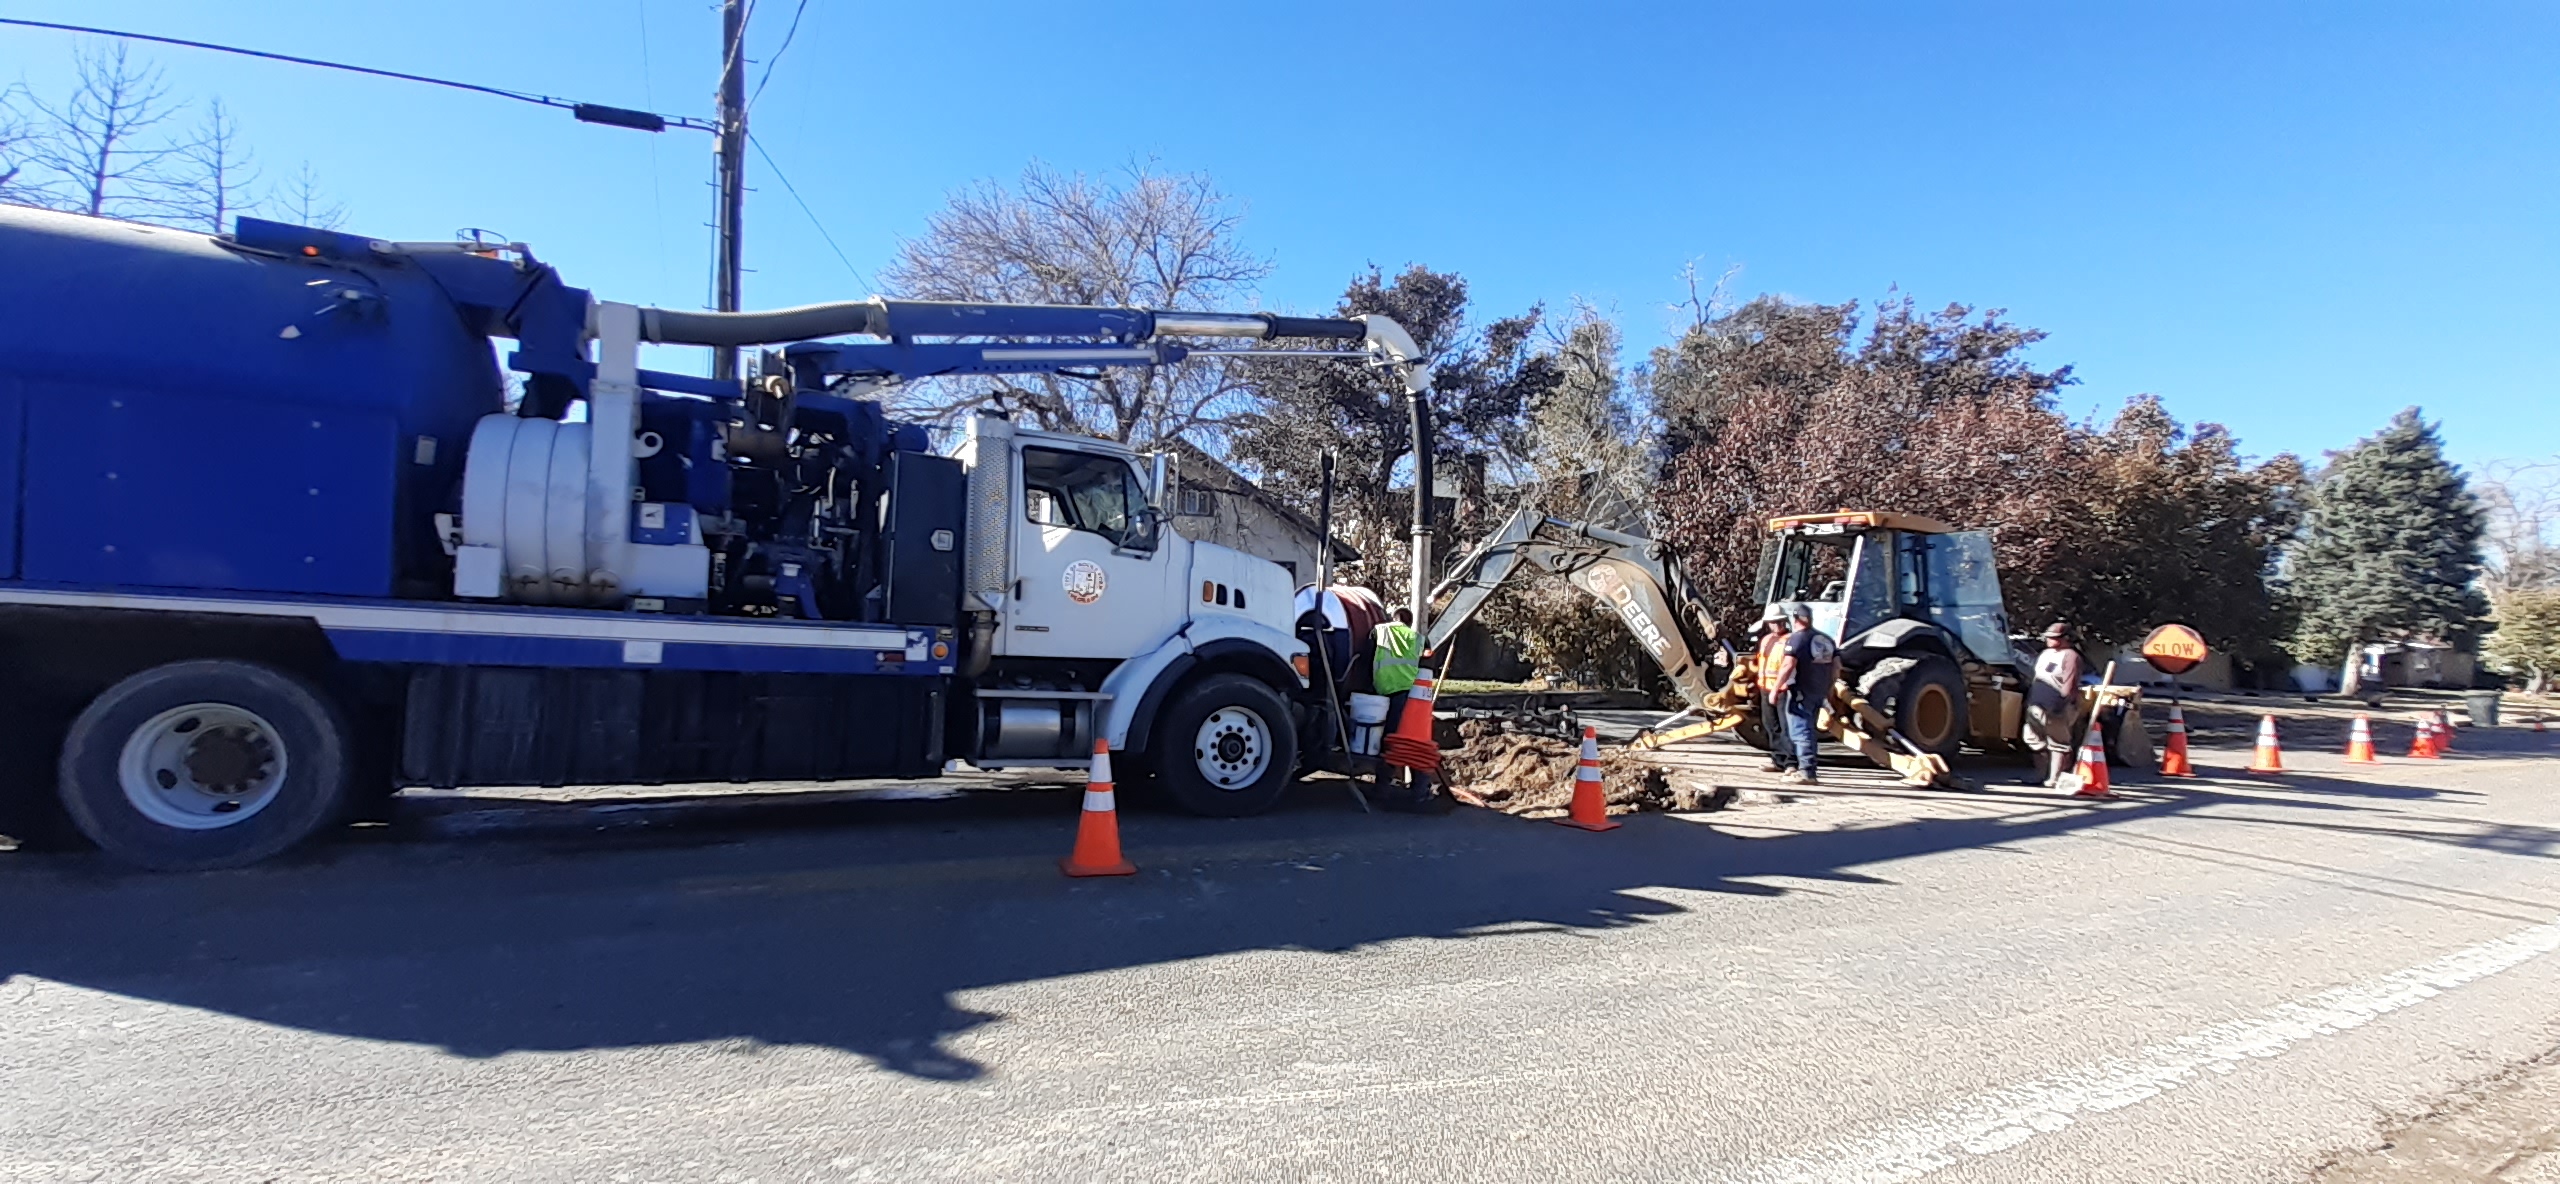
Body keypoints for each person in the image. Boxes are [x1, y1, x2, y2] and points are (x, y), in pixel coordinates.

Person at [1766, 602, 1837, 784]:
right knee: (1810, 730)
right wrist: (1829, 689)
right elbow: (1837, 667)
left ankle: (1806, 771)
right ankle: (1808, 768)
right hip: (1818, 691)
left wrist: (1775, 689)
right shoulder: (1826, 639)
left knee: (1800, 731)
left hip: (1801, 691)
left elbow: (1788, 665)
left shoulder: (1797, 639)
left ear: (1795, 619)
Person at [2023, 621, 2085, 787]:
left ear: (2065, 638)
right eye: (2048, 637)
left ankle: (2054, 778)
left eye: (2053, 637)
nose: (2048, 640)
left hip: (2056, 706)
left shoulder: (2071, 656)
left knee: (2058, 743)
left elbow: (2069, 683)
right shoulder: (2045, 654)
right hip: (2036, 705)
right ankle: (2041, 773)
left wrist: (2062, 704)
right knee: (2033, 739)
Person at [1753, 609, 1793, 772]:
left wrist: (1777, 688)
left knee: (1786, 727)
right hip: (1766, 687)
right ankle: (1778, 760)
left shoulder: (1790, 640)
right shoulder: (1766, 640)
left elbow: (1789, 665)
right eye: (1773, 622)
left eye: (1779, 621)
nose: (1776, 625)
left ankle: (1791, 762)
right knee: (1771, 725)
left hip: (1784, 689)